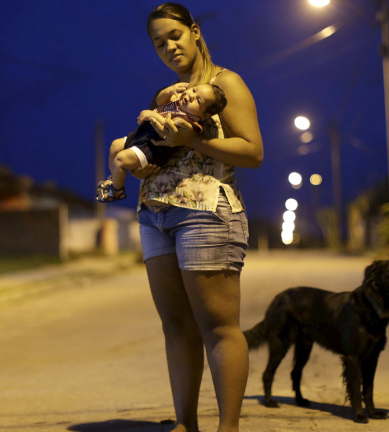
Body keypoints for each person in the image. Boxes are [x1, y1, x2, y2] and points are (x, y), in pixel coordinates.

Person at [123, 3, 263, 432]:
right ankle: (185, 424)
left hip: (205, 212)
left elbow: (252, 151)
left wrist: (195, 141)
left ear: (195, 32)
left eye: (175, 36)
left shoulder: (224, 83)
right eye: (158, 43)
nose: (168, 47)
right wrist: (140, 165)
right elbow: (152, 149)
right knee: (176, 327)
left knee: (218, 327)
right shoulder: (167, 95)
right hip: (155, 215)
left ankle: (228, 428)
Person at [95, 83, 227, 202]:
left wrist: (153, 115)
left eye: (198, 100)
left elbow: (171, 127)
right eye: (193, 90)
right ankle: (114, 180)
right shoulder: (177, 103)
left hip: (151, 148)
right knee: (115, 145)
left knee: (120, 160)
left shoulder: (190, 121)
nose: (191, 96)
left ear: (204, 115)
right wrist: (169, 91)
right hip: (142, 135)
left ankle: (117, 191)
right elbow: (159, 101)